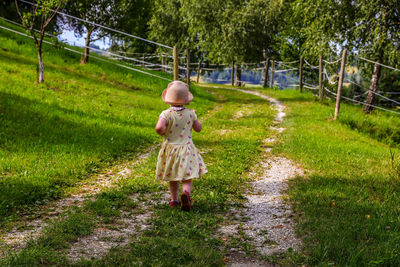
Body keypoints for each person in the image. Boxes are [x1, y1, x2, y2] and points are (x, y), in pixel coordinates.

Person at [155, 81, 207, 211]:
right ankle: (186, 194)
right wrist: (194, 120)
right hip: (187, 149)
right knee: (187, 176)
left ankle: (174, 200)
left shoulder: (166, 114)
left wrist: (162, 131)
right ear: (186, 99)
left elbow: (159, 127)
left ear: (168, 99)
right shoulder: (190, 113)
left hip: (171, 149)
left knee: (173, 176)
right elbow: (198, 128)